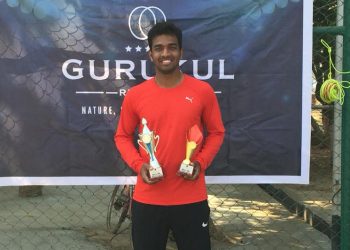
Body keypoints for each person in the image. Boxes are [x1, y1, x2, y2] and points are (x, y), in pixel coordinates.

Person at [114, 21, 225, 250]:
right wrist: (139, 165)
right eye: (159, 48)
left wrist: (200, 162)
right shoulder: (136, 95)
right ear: (150, 54)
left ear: (181, 52)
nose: (166, 53)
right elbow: (122, 136)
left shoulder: (202, 91)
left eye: (172, 47)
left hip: (191, 199)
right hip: (148, 199)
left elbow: (216, 132)